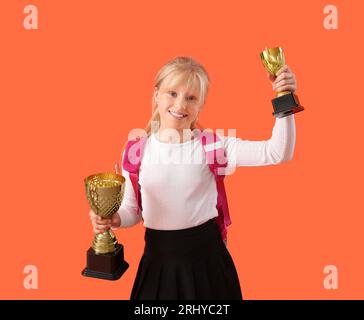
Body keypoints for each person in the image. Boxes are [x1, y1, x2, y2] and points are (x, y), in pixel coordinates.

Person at [89, 56, 297, 299]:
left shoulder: (214, 147)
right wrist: (113, 218)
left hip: (207, 268)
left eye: (191, 98)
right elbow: (133, 211)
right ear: (156, 95)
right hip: (157, 267)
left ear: (201, 104)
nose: (180, 105)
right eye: (172, 93)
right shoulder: (135, 151)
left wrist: (284, 95)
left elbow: (277, 152)